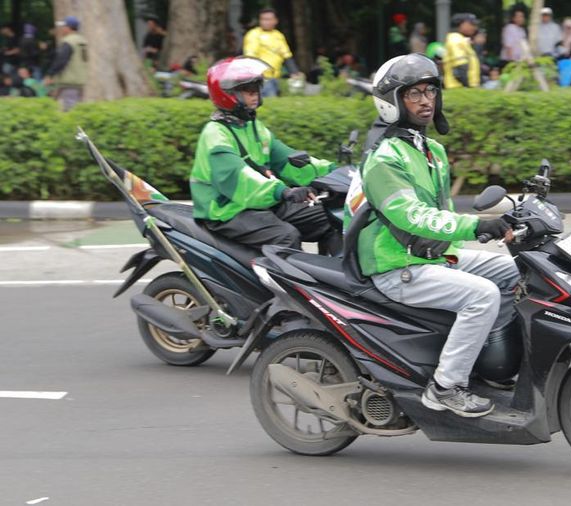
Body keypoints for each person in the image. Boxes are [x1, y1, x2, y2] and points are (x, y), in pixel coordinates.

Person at [363, 54, 520, 417]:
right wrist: (475, 226)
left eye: (430, 91)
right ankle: (446, 386)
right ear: (393, 103)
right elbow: (412, 215)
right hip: (395, 264)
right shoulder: (384, 158)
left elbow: (442, 212)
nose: (425, 100)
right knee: (481, 295)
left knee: (513, 271)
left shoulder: (432, 150)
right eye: (413, 93)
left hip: (430, 256)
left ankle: (490, 361)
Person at [190, 57, 343, 254]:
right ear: (227, 94)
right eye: (248, 90)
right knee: (286, 236)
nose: (255, 95)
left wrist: (334, 174)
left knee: (332, 218)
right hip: (228, 210)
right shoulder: (216, 134)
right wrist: (282, 191)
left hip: (262, 201)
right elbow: (240, 179)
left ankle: (339, 280)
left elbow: (287, 159)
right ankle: (284, 286)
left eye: (257, 89)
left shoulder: (252, 126)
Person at [242, 8, 300, 97]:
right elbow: (250, 57)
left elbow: (286, 55)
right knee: (269, 101)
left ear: (275, 21)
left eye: (268, 19)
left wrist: (294, 72)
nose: (265, 22)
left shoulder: (278, 35)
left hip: (276, 77)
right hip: (262, 78)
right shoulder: (254, 34)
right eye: (263, 19)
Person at [43, 16, 87, 112]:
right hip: (79, 81)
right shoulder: (82, 41)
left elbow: (61, 61)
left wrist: (50, 75)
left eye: (63, 27)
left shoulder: (69, 42)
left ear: (68, 28)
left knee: (68, 111)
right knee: (76, 108)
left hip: (69, 82)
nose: (61, 29)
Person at [443, 13, 480, 88]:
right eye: (471, 24)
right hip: (458, 88)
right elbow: (460, 66)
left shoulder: (461, 40)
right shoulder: (456, 39)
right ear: (462, 24)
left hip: (462, 87)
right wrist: (467, 86)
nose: (474, 27)